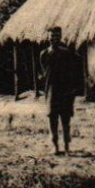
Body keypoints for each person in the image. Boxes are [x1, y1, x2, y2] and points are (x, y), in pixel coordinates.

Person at [38, 27, 83, 155]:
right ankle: (55, 146)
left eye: (57, 36)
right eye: (52, 36)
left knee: (65, 119)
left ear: (61, 37)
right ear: (48, 37)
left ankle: (67, 146)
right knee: (52, 117)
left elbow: (75, 70)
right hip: (51, 90)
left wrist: (73, 89)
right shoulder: (44, 54)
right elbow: (44, 72)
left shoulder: (67, 53)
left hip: (65, 90)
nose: (54, 39)